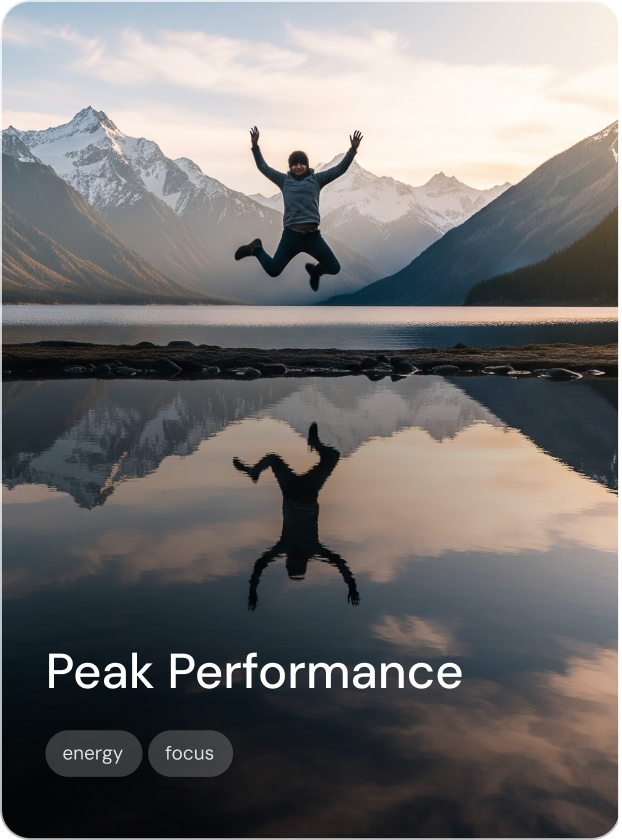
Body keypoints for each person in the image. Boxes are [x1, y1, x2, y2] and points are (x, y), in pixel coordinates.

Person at [233, 423, 360, 610]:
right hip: (309, 490)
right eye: (296, 564)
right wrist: (351, 585)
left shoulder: (285, 546)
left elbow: (260, 564)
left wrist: (253, 589)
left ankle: (254, 472)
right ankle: (314, 444)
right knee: (332, 456)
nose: (292, 561)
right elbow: (338, 562)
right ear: (303, 564)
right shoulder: (313, 549)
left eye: (290, 564)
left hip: (291, 491)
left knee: (273, 458)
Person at [235, 127, 363, 291]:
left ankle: (315, 271)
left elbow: (339, 169)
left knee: (334, 267)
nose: (299, 166)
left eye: (302, 163)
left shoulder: (317, 180)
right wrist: (255, 146)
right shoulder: (284, 180)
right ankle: (256, 249)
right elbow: (263, 167)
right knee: (274, 270)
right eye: (295, 164)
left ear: (307, 165)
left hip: (313, 237)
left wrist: (353, 150)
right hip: (291, 237)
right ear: (290, 167)